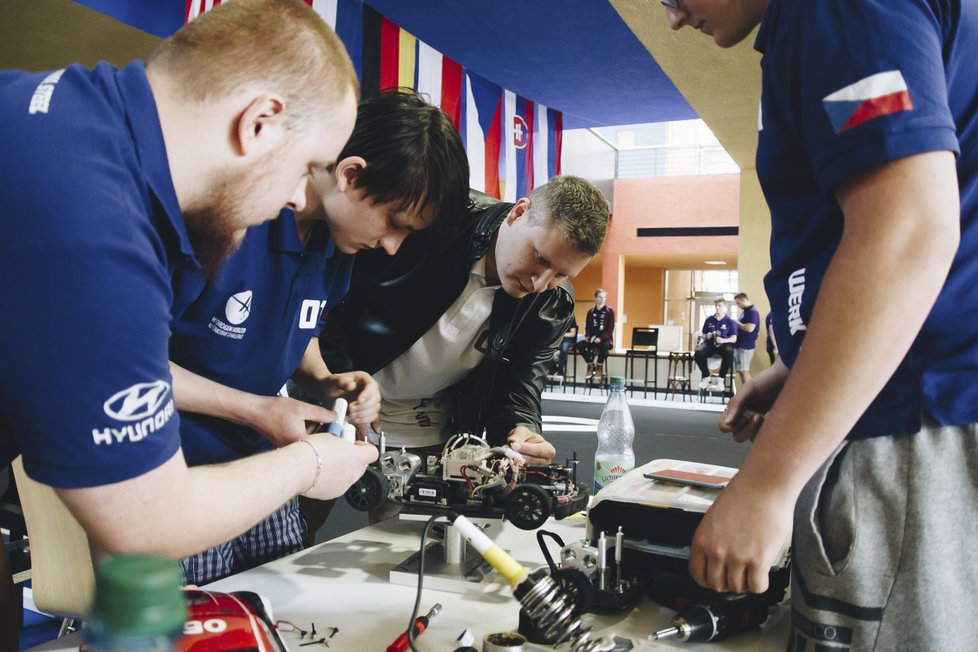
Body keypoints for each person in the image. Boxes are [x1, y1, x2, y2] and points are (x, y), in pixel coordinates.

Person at [0, 0, 378, 578]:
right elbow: (147, 526)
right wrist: (310, 464)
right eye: (306, 166)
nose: (299, 199)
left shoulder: (72, 118)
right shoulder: (96, 223)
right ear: (260, 124)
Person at [660, 1, 978, 649]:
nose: (672, 17)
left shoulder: (833, 6)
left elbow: (910, 231)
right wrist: (798, 365)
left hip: (911, 422)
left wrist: (767, 485)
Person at [169, 89, 469, 584]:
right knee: (201, 621)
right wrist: (258, 409)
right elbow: (128, 365)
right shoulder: (225, 218)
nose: (392, 247)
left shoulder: (336, 245)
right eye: (395, 223)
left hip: (266, 462)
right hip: (180, 469)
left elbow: (300, 327)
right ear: (349, 174)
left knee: (278, 600)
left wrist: (324, 379)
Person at [320, 176, 610, 507]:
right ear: (518, 213)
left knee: (408, 544)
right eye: (541, 258)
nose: (540, 283)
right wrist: (333, 382)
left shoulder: (552, 301)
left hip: (428, 420)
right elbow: (332, 304)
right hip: (339, 396)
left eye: (561, 274)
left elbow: (520, 382)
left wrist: (523, 428)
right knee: (296, 525)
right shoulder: (436, 219)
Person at [693, 298, 737, 386]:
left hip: (724, 344)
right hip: (710, 344)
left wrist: (723, 340)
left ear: (724, 307)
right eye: (716, 305)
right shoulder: (709, 319)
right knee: (698, 352)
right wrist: (706, 336)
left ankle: (721, 379)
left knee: (729, 353)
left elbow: (734, 338)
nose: (717, 308)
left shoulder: (730, 321)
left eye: (719, 306)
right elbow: (703, 334)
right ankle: (706, 377)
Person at [577, 288, 616, 380]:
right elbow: (588, 327)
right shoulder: (590, 312)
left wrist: (601, 338)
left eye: (604, 297)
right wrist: (587, 336)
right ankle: (590, 364)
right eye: (600, 297)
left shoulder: (609, 311)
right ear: (595, 298)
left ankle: (599, 366)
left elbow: (610, 329)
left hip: (604, 340)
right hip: (592, 339)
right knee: (579, 345)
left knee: (604, 346)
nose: (602, 299)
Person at [732, 292, 760, 384]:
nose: (738, 305)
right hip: (740, 344)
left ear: (744, 300)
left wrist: (736, 323)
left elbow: (750, 328)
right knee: (741, 370)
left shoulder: (752, 312)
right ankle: (745, 391)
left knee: (744, 371)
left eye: (738, 303)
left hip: (746, 346)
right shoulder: (745, 312)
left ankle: (749, 393)